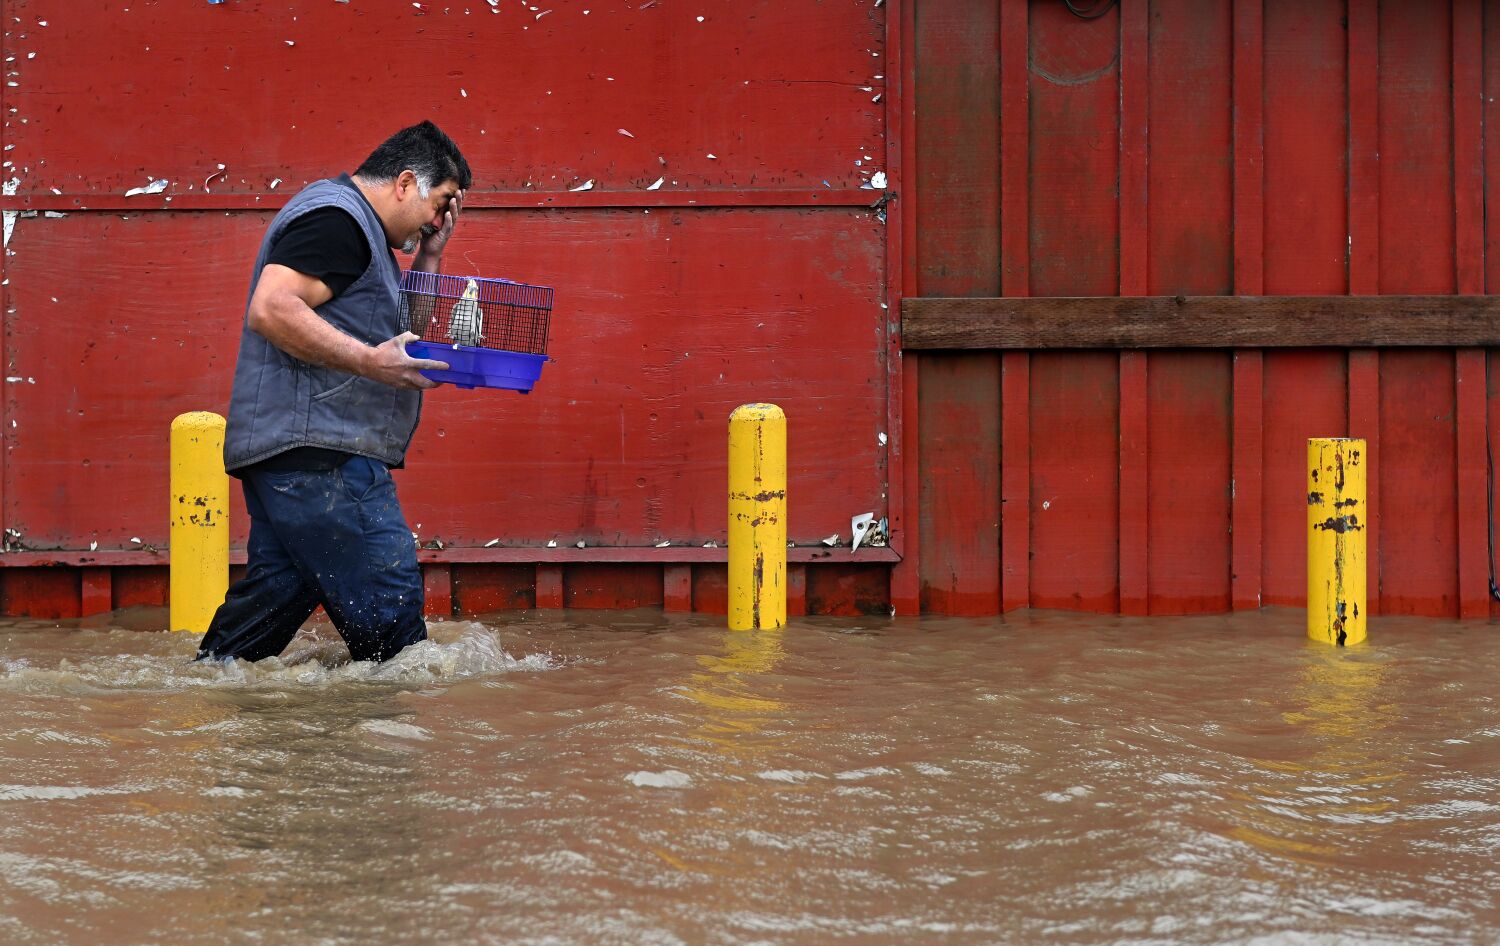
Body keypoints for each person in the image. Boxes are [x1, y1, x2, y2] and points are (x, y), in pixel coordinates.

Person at [197, 121, 471, 664]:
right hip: (326, 460)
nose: (436, 221)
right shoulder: (339, 220)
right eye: (439, 204)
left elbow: (407, 340)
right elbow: (272, 307)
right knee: (398, 647)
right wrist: (371, 361)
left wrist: (431, 257)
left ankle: (194, 721)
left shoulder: (367, 239)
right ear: (405, 182)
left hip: (296, 461)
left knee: (245, 648)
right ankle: (387, 749)